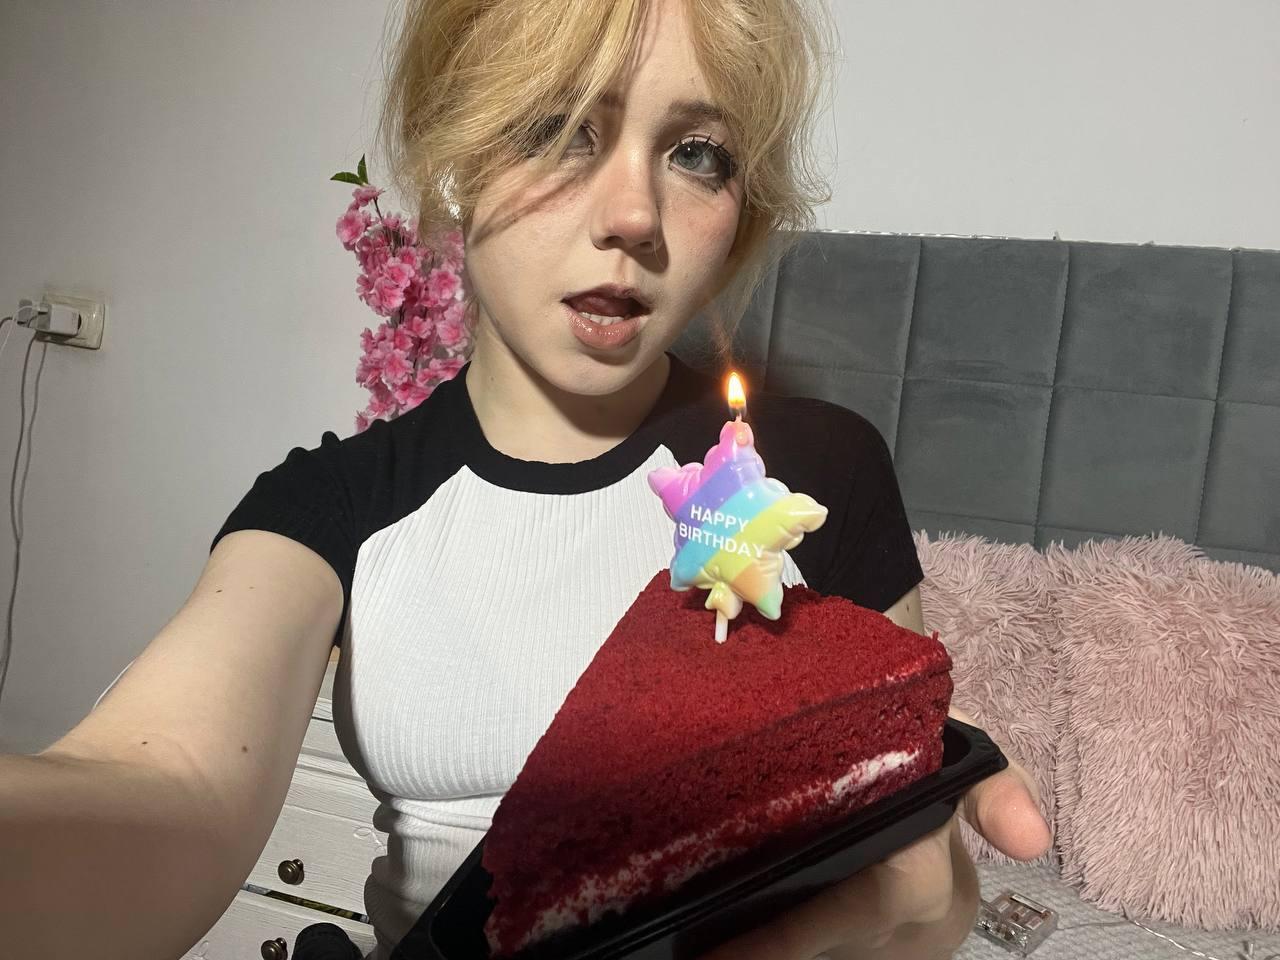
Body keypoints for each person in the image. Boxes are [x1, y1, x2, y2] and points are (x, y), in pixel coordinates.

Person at [0, 0, 1051, 957]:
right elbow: (164, 784)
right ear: (455, 158)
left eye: (697, 153)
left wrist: (909, 909)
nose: (633, 214)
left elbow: (914, 858)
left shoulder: (818, 470)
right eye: (557, 128)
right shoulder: (334, 506)